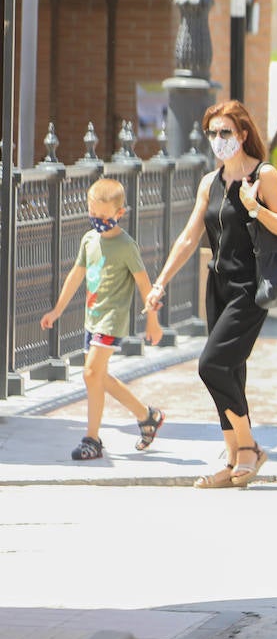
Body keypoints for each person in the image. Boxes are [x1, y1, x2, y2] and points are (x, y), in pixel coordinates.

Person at [145, 101, 277, 488]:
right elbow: (189, 237)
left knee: (211, 365)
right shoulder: (209, 182)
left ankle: (249, 448)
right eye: (212, 133)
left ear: (243, 134)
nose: (218, 139)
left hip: (251, 287)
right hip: (218, 286)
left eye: (225, 132)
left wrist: (255, 209)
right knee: (230, 371)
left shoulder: (264, 175)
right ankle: (233, 460)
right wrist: (160, 282)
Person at [41, 178, 165, 461]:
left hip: (112, 318)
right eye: (92, 213)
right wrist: (57, 310)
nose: (96, 219)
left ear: (119, 213)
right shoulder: (89, 240)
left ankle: (92, 439)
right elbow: (76, 275)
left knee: (90, 373)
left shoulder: (126, 245)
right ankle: (147, 416)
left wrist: (152, 321)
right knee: (97, 377)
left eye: (103, 215)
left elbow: (144, 284)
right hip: (93, 318)